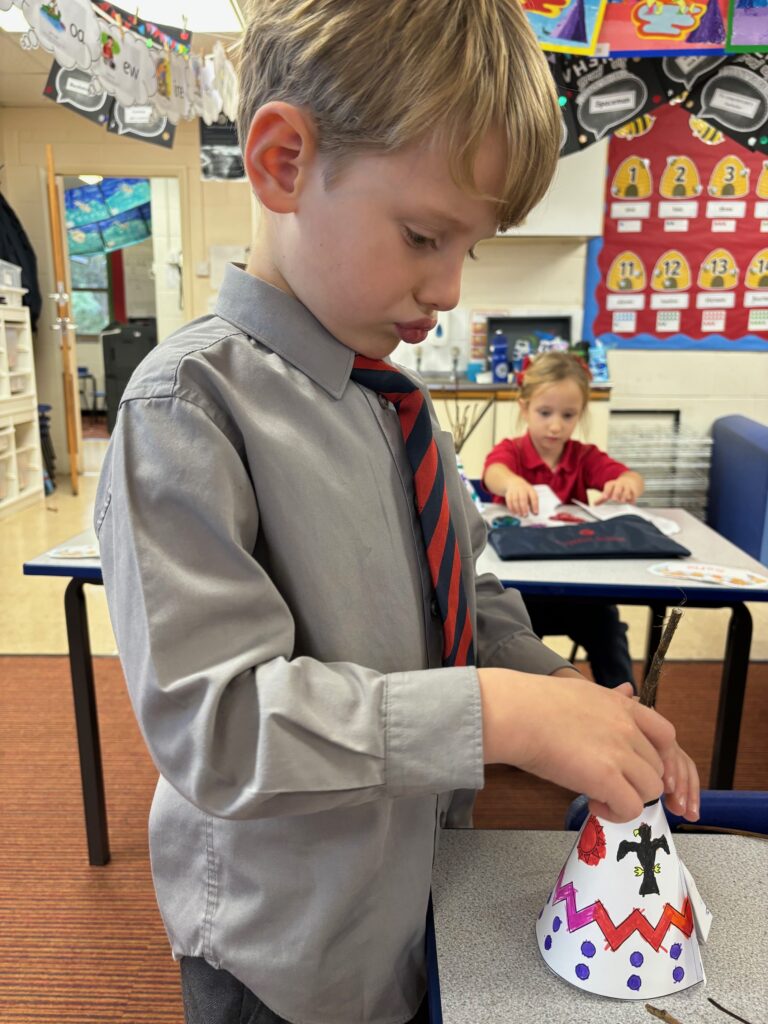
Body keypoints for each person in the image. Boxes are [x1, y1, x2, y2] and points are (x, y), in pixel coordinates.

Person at [94, 3, 699, 1023]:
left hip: (414, 893)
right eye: (424, 236)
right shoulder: (184, 409)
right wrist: (497, 714)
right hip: (283, 951)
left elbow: (471, 587)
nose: (449, 290)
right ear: (283, 161)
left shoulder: (395, 406)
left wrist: (567, 694)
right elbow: (220, 725)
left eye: (469, 246)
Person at [482, 351, 644, 689]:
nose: (556, 425)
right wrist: (512, 482)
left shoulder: (584, 457)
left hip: (579, 588)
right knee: (517, 652)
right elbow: (492, 472)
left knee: (609, 631)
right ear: (524, 408)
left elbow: (630, 477)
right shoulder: (511, 451)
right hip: (523, 591)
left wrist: (625, 484)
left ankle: (625, 704)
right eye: (545, 413)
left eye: (568, 415)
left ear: (580, 415)